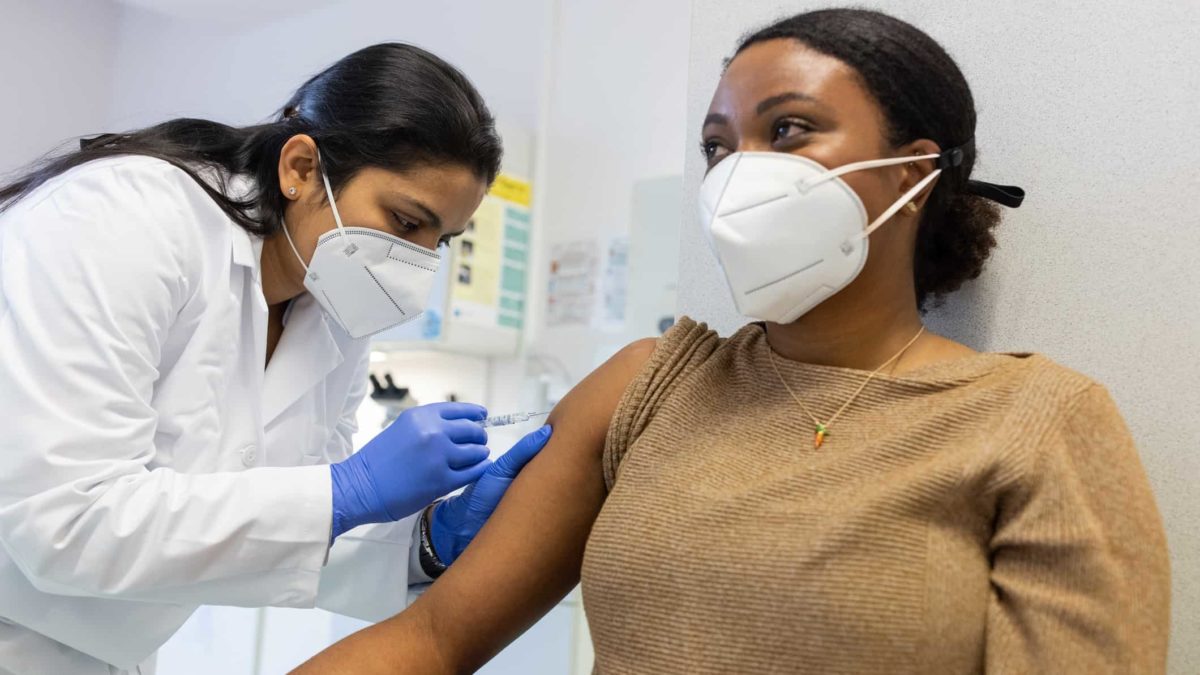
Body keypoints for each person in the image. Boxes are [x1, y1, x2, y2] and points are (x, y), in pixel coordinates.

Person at [296, 9, 1170, 674]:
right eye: (718, 145)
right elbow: (432, 638)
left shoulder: (1034, 419)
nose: (739, 170)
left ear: (911, 171)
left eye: (787, 129)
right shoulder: (649, 385)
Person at [0, 43, 549, 674]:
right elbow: (65, 522)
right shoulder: (123, 219)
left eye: (441, 240)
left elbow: (288, 518)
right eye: (404, 222)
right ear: (301, 168)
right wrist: (349, 490)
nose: (420, 262)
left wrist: (426, 537)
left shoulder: (336, 308)